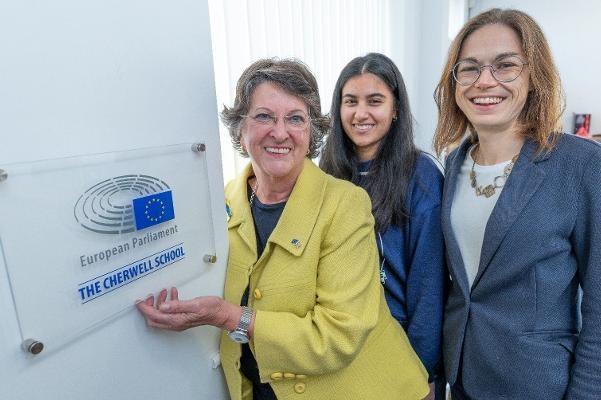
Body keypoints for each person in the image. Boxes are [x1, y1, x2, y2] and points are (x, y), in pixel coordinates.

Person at [137, 58, 429, 400]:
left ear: (311, 133)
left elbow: (339, 337)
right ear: (240, 129)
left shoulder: (345, 205)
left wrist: (229, 316)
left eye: (295, 119)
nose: (280, 132)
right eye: (264, 116)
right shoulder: (222, 202)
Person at [433, 8, 601, 400]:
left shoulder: (580, 165)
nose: (484, 80)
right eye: (469, 68)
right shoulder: (454, 163)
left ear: (534, 76)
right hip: (462, 378)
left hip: (537, 384)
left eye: (505, 65)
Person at [320, 53, 446, 399]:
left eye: (374, 101)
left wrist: (423, 370)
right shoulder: (326, 174)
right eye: (350, 102)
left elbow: (429, 287)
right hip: (339, 346)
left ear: (395, 109)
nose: (361, 113)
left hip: (399, 347)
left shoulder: (421, 178)